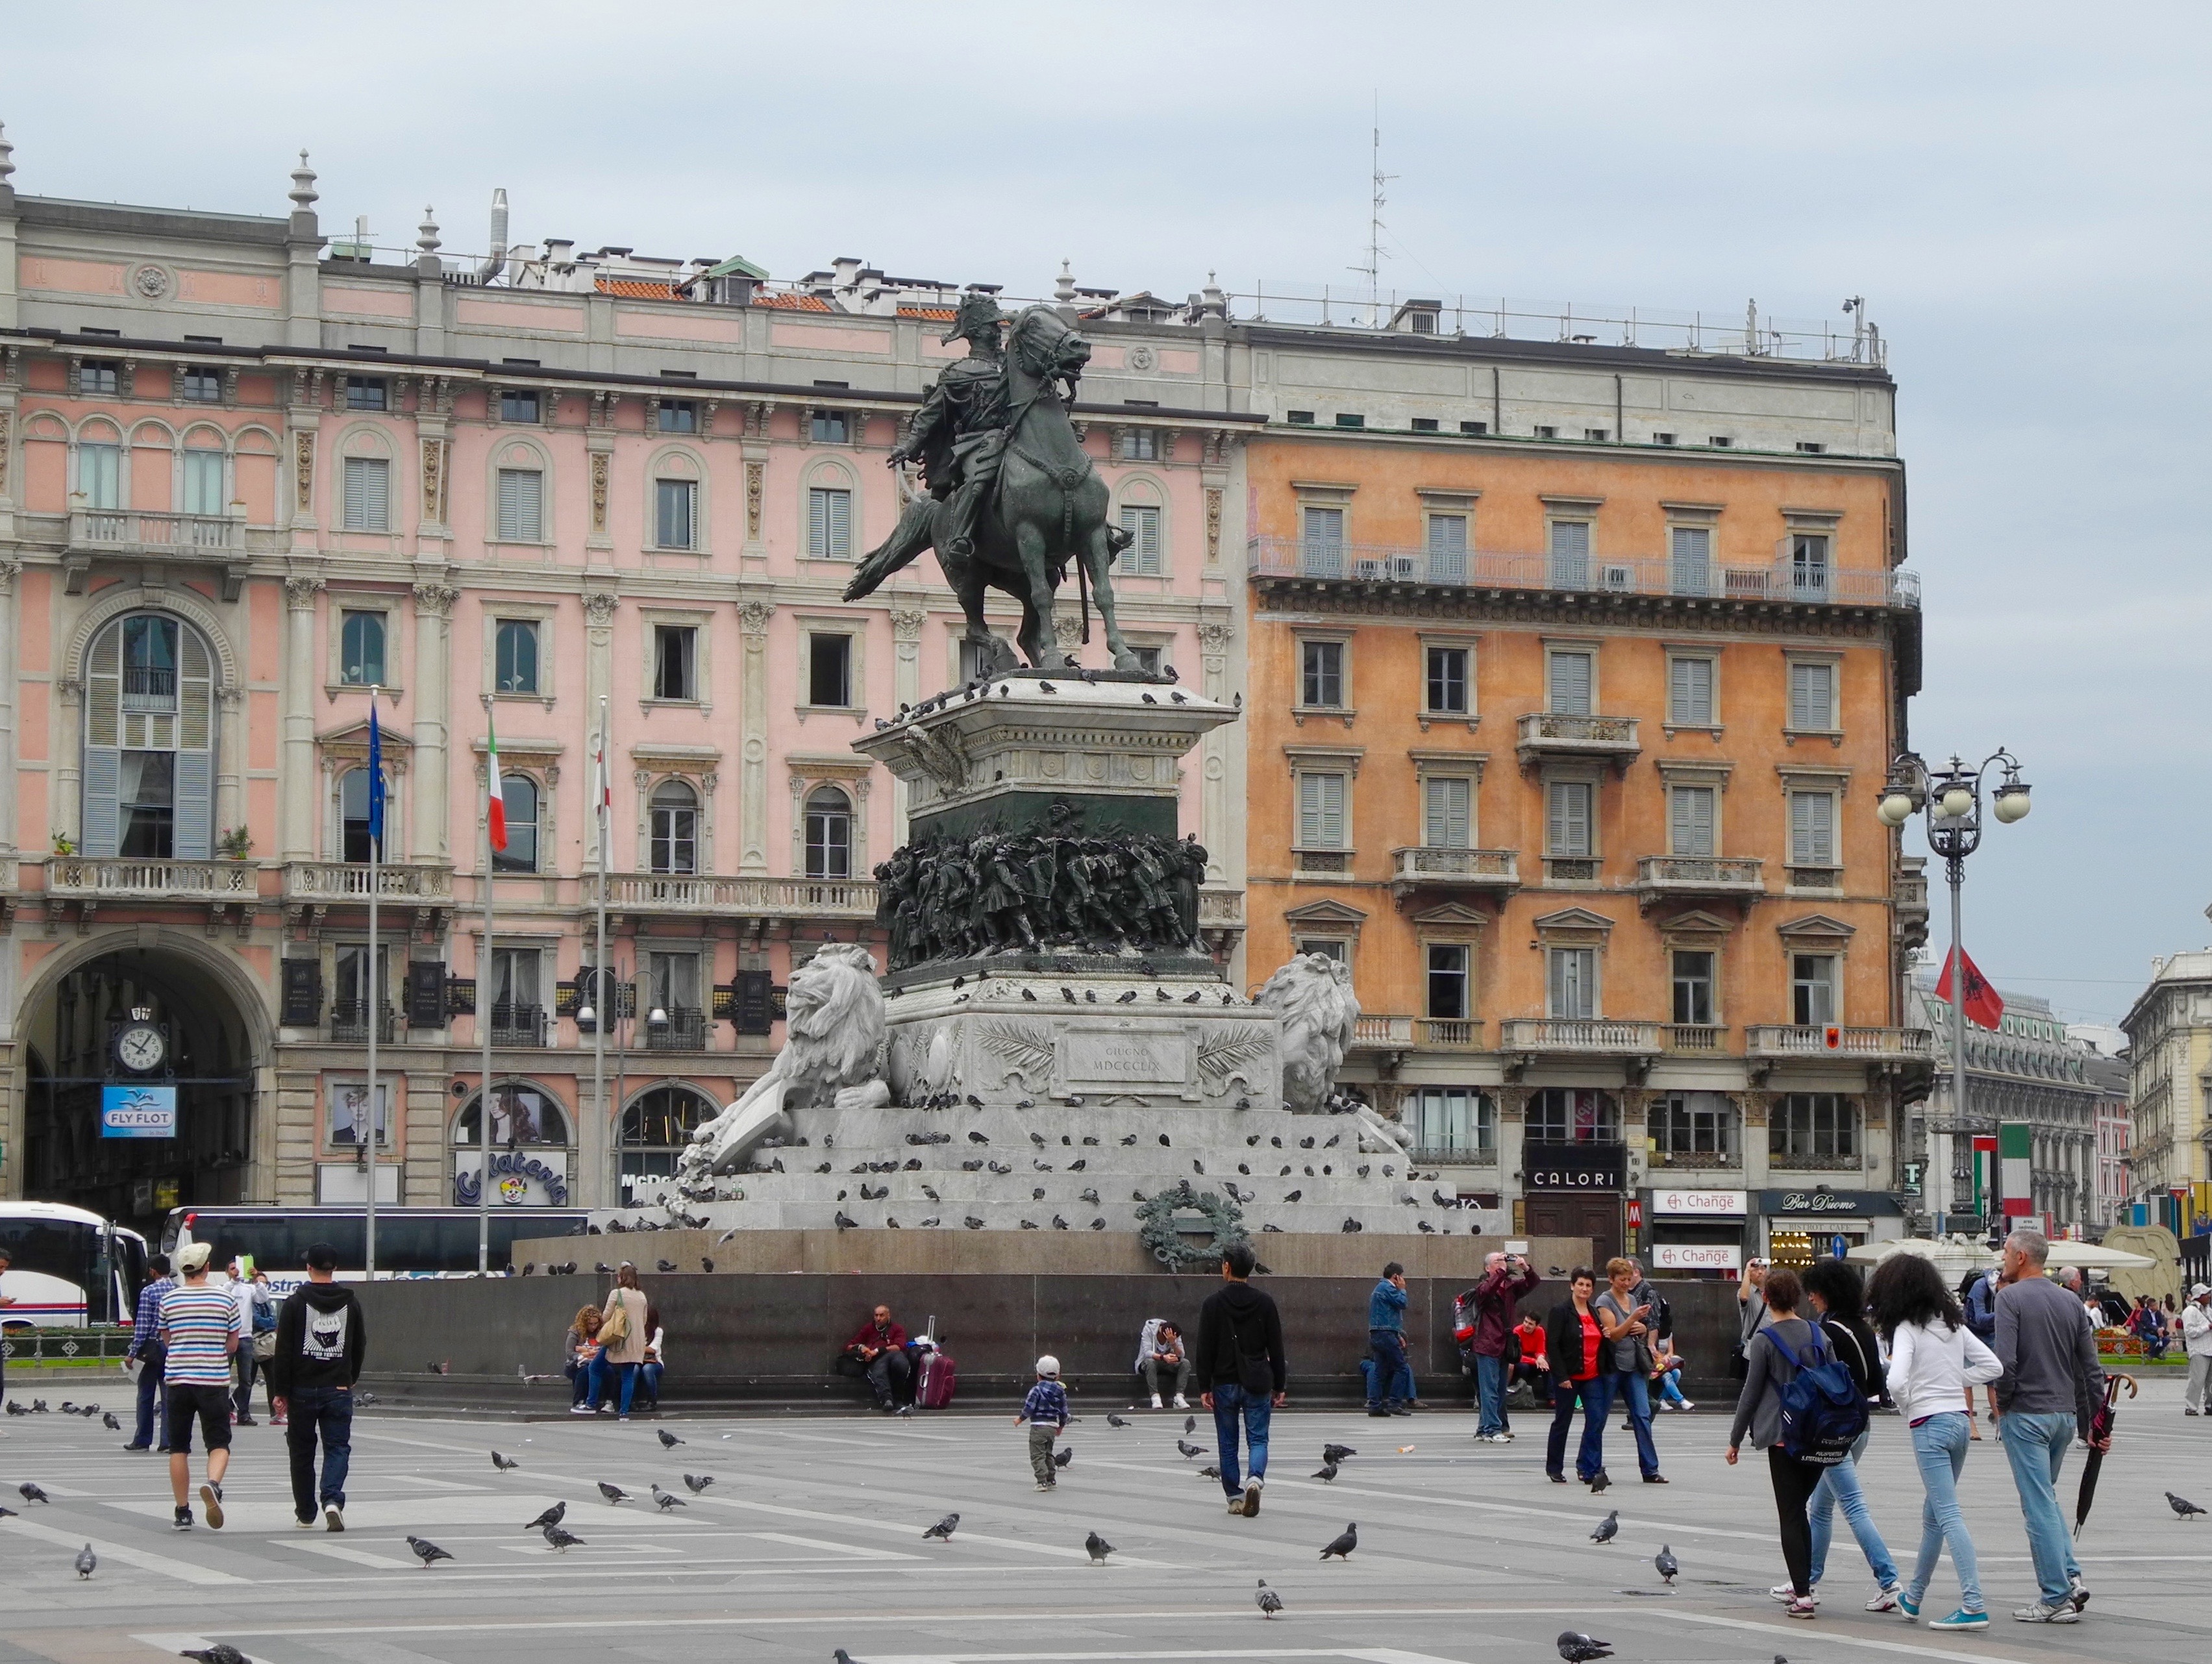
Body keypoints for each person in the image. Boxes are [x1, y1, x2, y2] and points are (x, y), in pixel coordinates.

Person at [1870, 1249, 2001, 1632]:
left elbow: (1895, 1380)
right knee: (1934, 1515)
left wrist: (1909, 1402)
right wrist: (1953, 1382)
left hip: (1929, 1422)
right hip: (1960, 1421)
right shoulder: (1954, 1325)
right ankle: (1913, 1597)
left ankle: (1974, 1603)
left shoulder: (1908, 1329)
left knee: (1946, 1513)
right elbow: (1994, 1366)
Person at [1992, 1227, 2106, 1624]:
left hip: (2027, 1413)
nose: (2003, 1258)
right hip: (2062, 1416)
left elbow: (2005, 1363)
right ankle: (2071, 1576)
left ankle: (2055, 1596)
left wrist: (2003, 1406)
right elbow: (2092, 1370)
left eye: (2006, 1251)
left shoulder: (2010, 1299)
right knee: (2047, 1497)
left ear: (2022, 1257)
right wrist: (2096, 1422)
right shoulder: (2071, 1301)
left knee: (2036, 1503)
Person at [1791, 1259, 1901, 1611]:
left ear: (1823, 1294)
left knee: (1851, 1504)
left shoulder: (1829, 1330)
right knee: (1821, 1507)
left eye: (1814, 1292)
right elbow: (1874, 1379)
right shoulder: (1862, 1326)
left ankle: (1889, 1581)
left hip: (1834, 1428)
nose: (1812, 1298)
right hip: (1860, 1423)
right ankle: (1807, 1581)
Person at [1726, 1268, 1833, 1619]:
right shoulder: (1819, 1334)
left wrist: (1735, 1439)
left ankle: (1802, 1595)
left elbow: (1751, 1393)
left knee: (1790, 1513)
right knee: (1799, 1508)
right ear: (1799, 1297)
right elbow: (1835, 1381)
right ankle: (1805, 1586)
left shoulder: (1765, 1340)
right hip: (1818, 1436)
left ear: (1767, 1299)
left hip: (1783, 1438)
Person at [267, 1240, 366, 1532]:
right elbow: (359, 1342)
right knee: (337, 1447)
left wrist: (280, 1392)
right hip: (337, 1388)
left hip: (301, 1390)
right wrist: (350, 1376)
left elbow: (283, 1350)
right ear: (334, 1268)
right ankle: (333, 1499)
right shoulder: (351, 1302)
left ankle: (306, 1512)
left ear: (308, 1268)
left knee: (301, 1451)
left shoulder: (295, 1303)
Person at [1197, 1240, 1287, 1519]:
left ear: (1226, 1266)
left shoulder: (1212, 1304)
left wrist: (1203, 1387)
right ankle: (1254, 1481)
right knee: (1258, 1438)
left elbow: (1204, 1349)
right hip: (1257, 1382)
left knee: (1228, 1442)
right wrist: (1280, 1385)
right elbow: (1277, 1346)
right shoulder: (1265, 1303)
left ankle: (1235, 1497)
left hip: (1224, 1383)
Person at [159, 1243, 240, 1531]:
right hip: (213, 1381)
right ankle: (213, 1485)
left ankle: (182, 1512)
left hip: (178, 1381)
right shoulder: (225, 1299)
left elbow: (168, 1342)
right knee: (219, 1443)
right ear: (207, 1267)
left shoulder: (168, 1301)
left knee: (178, 1447)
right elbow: (233, 1344)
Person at [1593, 1256, 1665, 1484]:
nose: (1626, 1283)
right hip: (1613, 1365)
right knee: (1599, 1417)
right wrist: (1633, 1318)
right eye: (1622, 1280)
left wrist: (1642, 1328)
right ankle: (1591, 1465)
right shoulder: (1604, 1300)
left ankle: (1650, 1469)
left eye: (1629, 1279)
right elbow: (1612, 1334)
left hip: (1634, 1365)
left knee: (1643, 1416)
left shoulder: (1633, 1299)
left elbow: (1637, 1333)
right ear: (1611, 1279)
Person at [1466, 1250, 1539, 1441]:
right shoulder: (1482, 1288)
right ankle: (1492, 1430)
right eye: (1497, 1262)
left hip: (1504, 1345)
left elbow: (1532, 1283)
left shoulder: (1510, 1288)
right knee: (1488, 1390)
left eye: (1503, 1261)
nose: (1502, 1265)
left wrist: (1525, 1268)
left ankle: (1484, 1429)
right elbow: (1487, 1290)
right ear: (1487, 1268)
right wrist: (1500, 1271)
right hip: (1487, 1344)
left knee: (1498, 1390)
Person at [1543, 1268, 1606, 1486]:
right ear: (1572, 1285)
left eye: (1588, 1285)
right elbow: (1553, 1344)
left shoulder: (1594, 1312)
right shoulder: (1561, 1311)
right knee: (1563, 1421)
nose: (1584, 1289)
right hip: (1568, 1376)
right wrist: (1561, 1375)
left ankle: (1590, 1469)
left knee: (1596, 1420)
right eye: (1580, 1284)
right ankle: (1554, 1468)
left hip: (1593, 1376)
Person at [125, 1253, 174, 1452]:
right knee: (169, 1396)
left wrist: (132, 1352)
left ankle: (143, 1439)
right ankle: (168, 1441)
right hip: (172, 1348)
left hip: (151, 1349)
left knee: (145, 1394)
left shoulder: (149, 1292)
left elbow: (142, 1326)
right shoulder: (178, 1291)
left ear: (153, 1271)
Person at [592, 1263, 651, 1419]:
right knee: (628, 1376)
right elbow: (644, 1320)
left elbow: (605, 1317)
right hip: (637, 1341)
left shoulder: (616, 1294)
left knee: (595, 1368)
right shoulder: (642, 1296)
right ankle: (624, 1412)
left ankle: (590, 1404)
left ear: (622, 1277)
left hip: (618, 1340)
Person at [843, 1304, 913, 1411]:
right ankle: (887, 1400)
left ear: (888, 1316)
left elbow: (899, 1347)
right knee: (879, 1369)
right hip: (875, 1361)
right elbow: (849, 1346)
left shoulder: (897, 1329)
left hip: (893, 1357)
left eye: (882, 1315)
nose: (878, 1318)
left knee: (900, 1363)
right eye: (876, 1315)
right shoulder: (868, 1328)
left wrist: (877, 1351)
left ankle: (898, 1400)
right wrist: (861, 1347)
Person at [1015, 1354, 1069, 1491]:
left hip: (1038, 1427)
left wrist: (1020, 1419)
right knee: (1048, 1454)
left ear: (1038, 1375)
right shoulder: (1061, 1392)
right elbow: (1064, 1411)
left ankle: (1042, 1481)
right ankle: (1051, 1480)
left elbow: (1029, 1408)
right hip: (1052, 1427)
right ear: (1058, 1376)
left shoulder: (1036, 1390)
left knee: (1037, 1455)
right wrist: (1061, 1426)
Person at [1366, 1261, 1411, 1418]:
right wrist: (1403, 1290)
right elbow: (1402, 1303)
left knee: (1379, 1370)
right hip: (1385, 1334)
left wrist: (1397, 1335)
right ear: (1396, 1276)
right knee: (1402, 1368)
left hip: (1380, 1333)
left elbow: (1385, 1314)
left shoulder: (1380, 1288)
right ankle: (1395, 1403)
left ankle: (1374, 1406)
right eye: (1402, 1276)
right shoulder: (1388, 1288)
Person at [246, 1267, 281, 1425]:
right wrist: (270, 1323)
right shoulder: (250, 1300)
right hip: (252, 1342)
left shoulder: (267, 1302)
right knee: (247, 1380)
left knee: (273, 1378)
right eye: (259, 1283)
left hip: (265, 1343)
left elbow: (272, 1318)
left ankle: (276, 1414)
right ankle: (233, 1409)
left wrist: (269, 1322)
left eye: (265, 1283)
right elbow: (257, 1320)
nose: (263, 1286)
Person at [1733, 1258, 1771, 1380]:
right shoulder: (1747, 1292)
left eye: (1763, 1269)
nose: (1760, 1272)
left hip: (1772, 1348)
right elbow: (1744, 1297)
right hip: (1753, 1350)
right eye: (1756, 1270)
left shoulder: (1772, 1293)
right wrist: (1747, 1271)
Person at [1139, 1319, 1191, 1409]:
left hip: (1168, 1364)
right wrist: (1163, 1357)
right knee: (1150, 1362)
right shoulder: (1149, 1329)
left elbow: (1181, 1355)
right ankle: (1155, 1397)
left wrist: (1173, 1343)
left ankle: (1179, 1398)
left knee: (1185, 1363)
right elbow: (1147, 1352)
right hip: (1149, 1363)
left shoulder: (1173, 1333)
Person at [565, 1306, 603, 1410]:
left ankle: (607, 1401)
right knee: (584, 1370)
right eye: (590, 1324)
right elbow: (570, 1352)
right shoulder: (576, 1332)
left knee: (608, 1371)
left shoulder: (601, 1332)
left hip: (596, 1362)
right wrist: (587, 1354)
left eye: (596, 1323)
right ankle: (579, 1401)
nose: (593, 1327)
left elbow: (602, 1351)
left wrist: (584, 1350)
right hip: (576, 1364)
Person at [1511, 1312, 1552, 1408]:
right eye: (1525, 1322)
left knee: (1547, 1368)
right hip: (1520, 1359)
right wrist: (1536, 1361)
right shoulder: (1517, 1331)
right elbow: (1516, 1355)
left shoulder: (1540, 1331)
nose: (1526, 1325)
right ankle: (1522, 1393)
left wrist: (1541, 1358)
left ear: (1537, 1326)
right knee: (1524, 1367)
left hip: (1534, 1359)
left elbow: (1540, 1350)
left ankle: (1551, 1397)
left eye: (1530, 1324)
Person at [2183, 1284, 2212, 1415]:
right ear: (2199, 1296)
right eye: (2206, 1294)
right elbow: (2190, 1332)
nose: (2209, 1296)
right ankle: (2191, 1407)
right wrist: (2207, 1328)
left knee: (2210, 1382)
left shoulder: (2208, 1310)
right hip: (2199, 1350)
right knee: (2197, 1380)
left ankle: (2210, 1405)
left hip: (2210, 1348)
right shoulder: (2190, 1311)